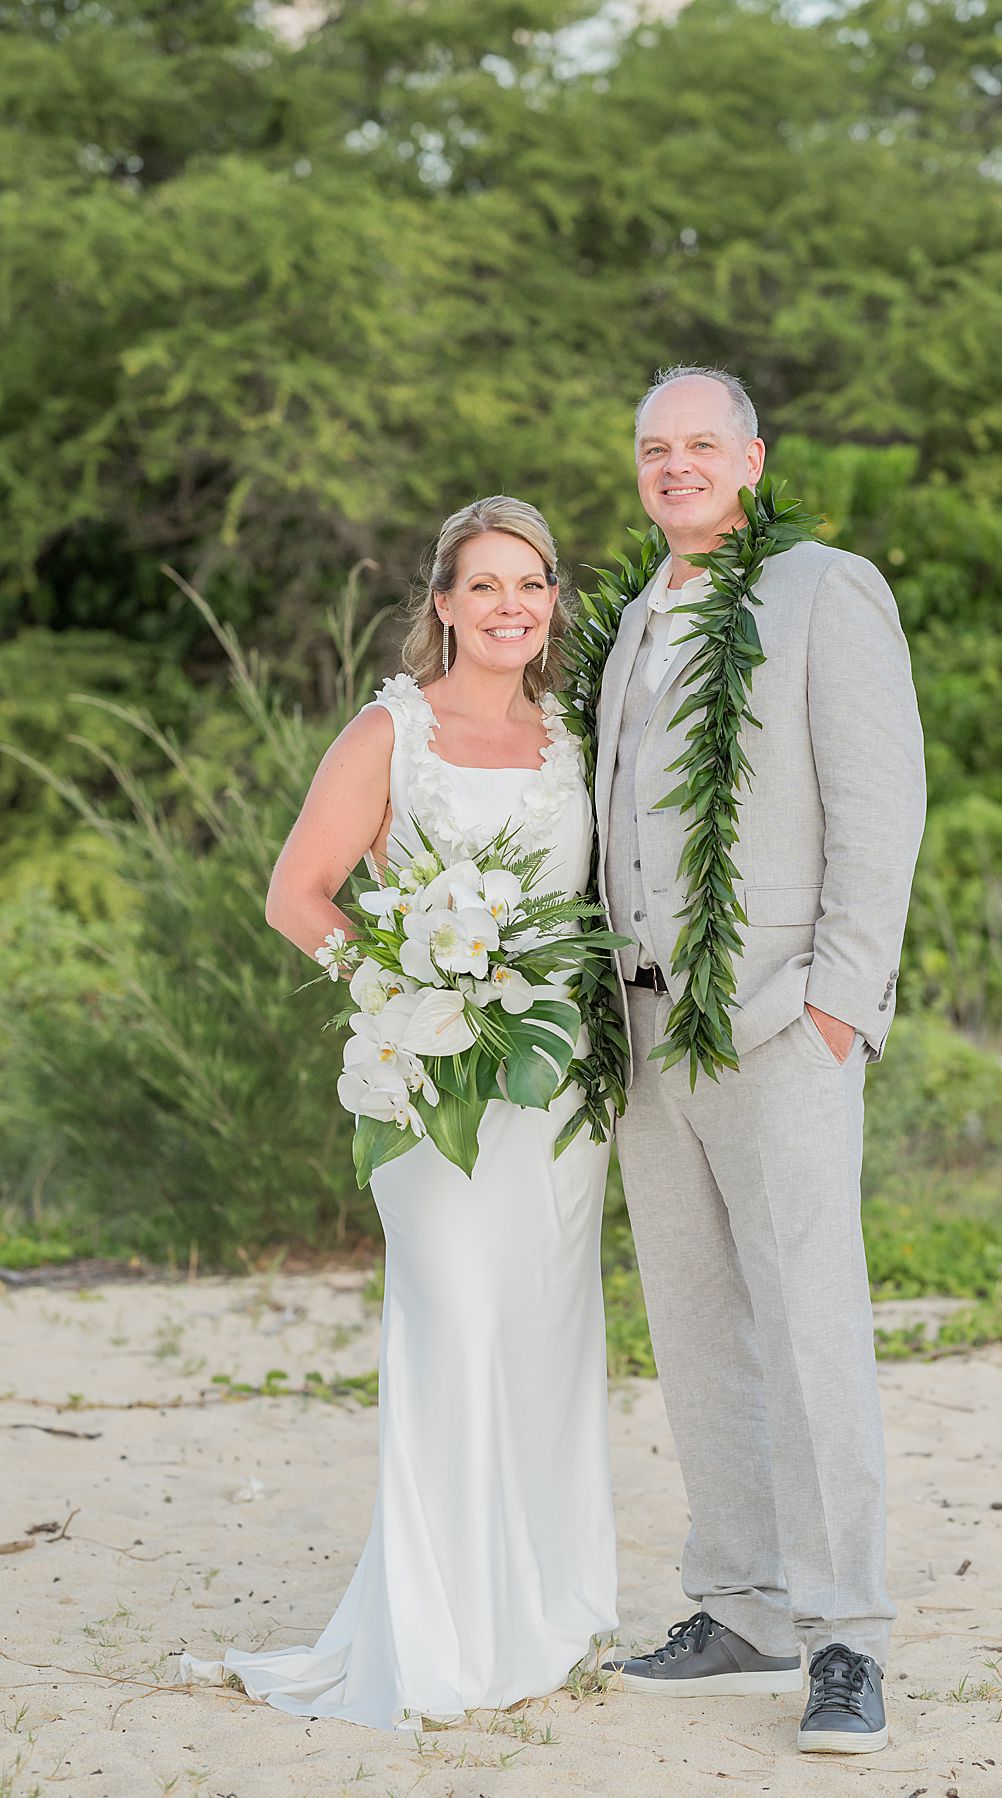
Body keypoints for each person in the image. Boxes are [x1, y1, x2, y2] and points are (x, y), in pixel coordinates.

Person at [174, 497, 618, 1732]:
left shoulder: (577, 737)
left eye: (529, 585)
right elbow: (297, 895)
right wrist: (398, 989)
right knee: (455, 1323)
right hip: (430, 1088)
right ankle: (438, 1631)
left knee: (545, 1331)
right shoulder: (391, 730)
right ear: (442, 604)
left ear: (551, 604)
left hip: (554, 1088)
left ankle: (546, 1610)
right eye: (483, 586)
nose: (509, 606)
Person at [595, 367, 927, 1754]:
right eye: (655, 450)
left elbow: (881, 797)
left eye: (700, 447)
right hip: (645, 1031)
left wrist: (842, 1000)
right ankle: (741, 1602)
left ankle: (846, 1636)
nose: (676, 467)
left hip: (780, 1019)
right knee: (692, 1318)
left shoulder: (822, 589)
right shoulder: (624, 622)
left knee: (811, 1324)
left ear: (751, 458)